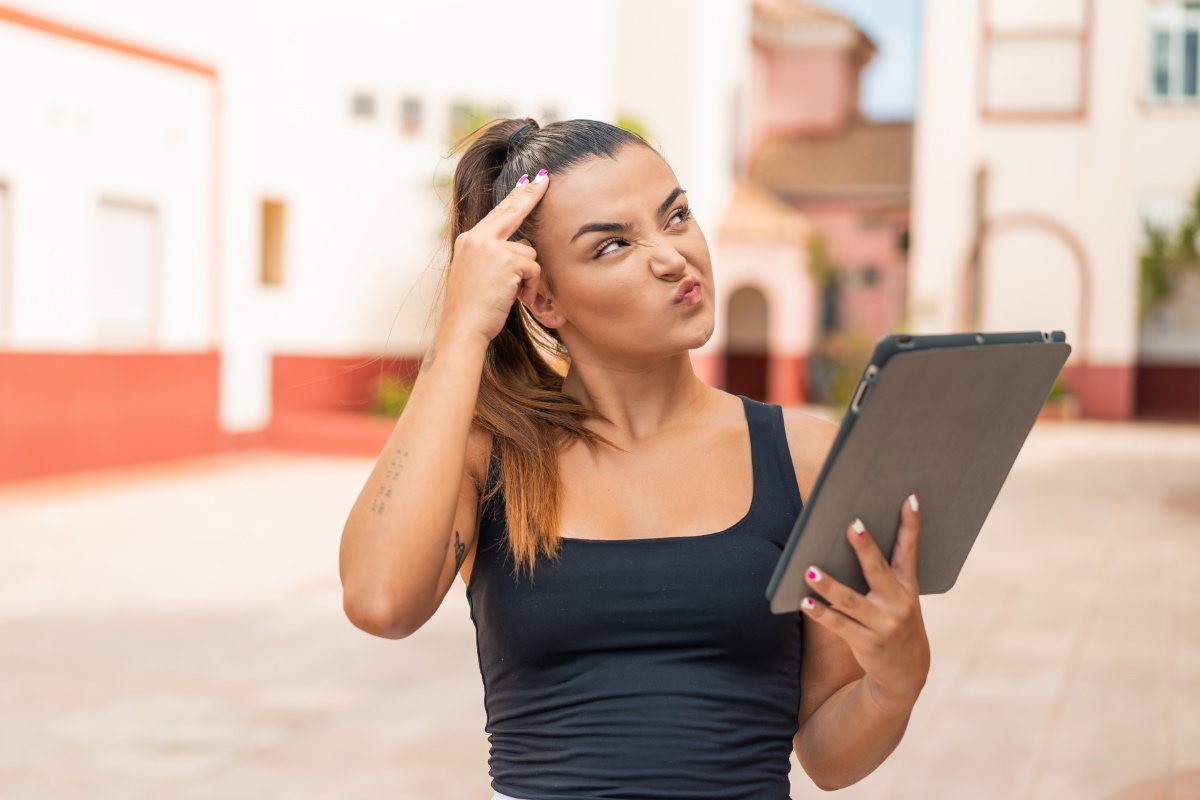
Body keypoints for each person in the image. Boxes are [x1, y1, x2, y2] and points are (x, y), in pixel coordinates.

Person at [339, 118, 931, 799]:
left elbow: (828, 756)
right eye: (613, 244)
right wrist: (461, 330)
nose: (673, 257)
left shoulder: (805, 459)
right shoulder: (494, 461)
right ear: (540, 296)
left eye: (676, 216)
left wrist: (896, 680)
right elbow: (381, 603)